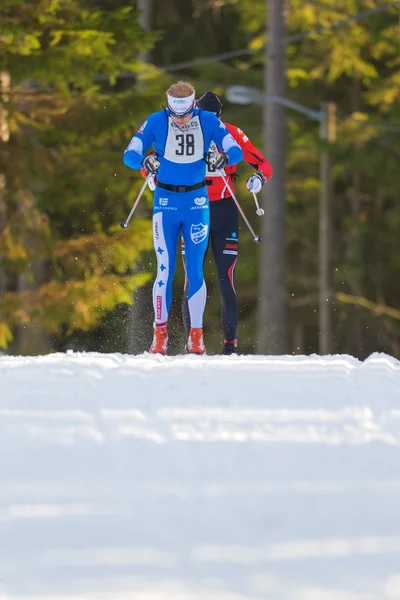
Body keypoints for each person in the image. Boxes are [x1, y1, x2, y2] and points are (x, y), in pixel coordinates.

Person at [123, 81, 243, 355]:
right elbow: (130, 154)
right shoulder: (156, 120)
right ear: (168, 108)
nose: (181, 121)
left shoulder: (208, 120)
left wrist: (223, 158)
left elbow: (235, 149)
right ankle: (160, 335)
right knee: (164, 268)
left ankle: (196, 336)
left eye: (185, 115)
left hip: (197, 202)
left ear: (193, 106)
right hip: (165, 203)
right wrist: (145, 162)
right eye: (175, 116)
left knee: (195, 271)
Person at [182, 91, 273, 355]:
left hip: (224, 209)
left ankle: (230, 345)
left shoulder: (231, 133)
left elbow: (264, 164)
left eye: (214, 120)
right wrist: (151, 172)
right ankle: (193, 341)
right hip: (194, 209)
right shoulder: (184, 132)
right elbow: (154, 159)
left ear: (220, 119)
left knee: (226, 278)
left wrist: (259, 179)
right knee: (192, 277)